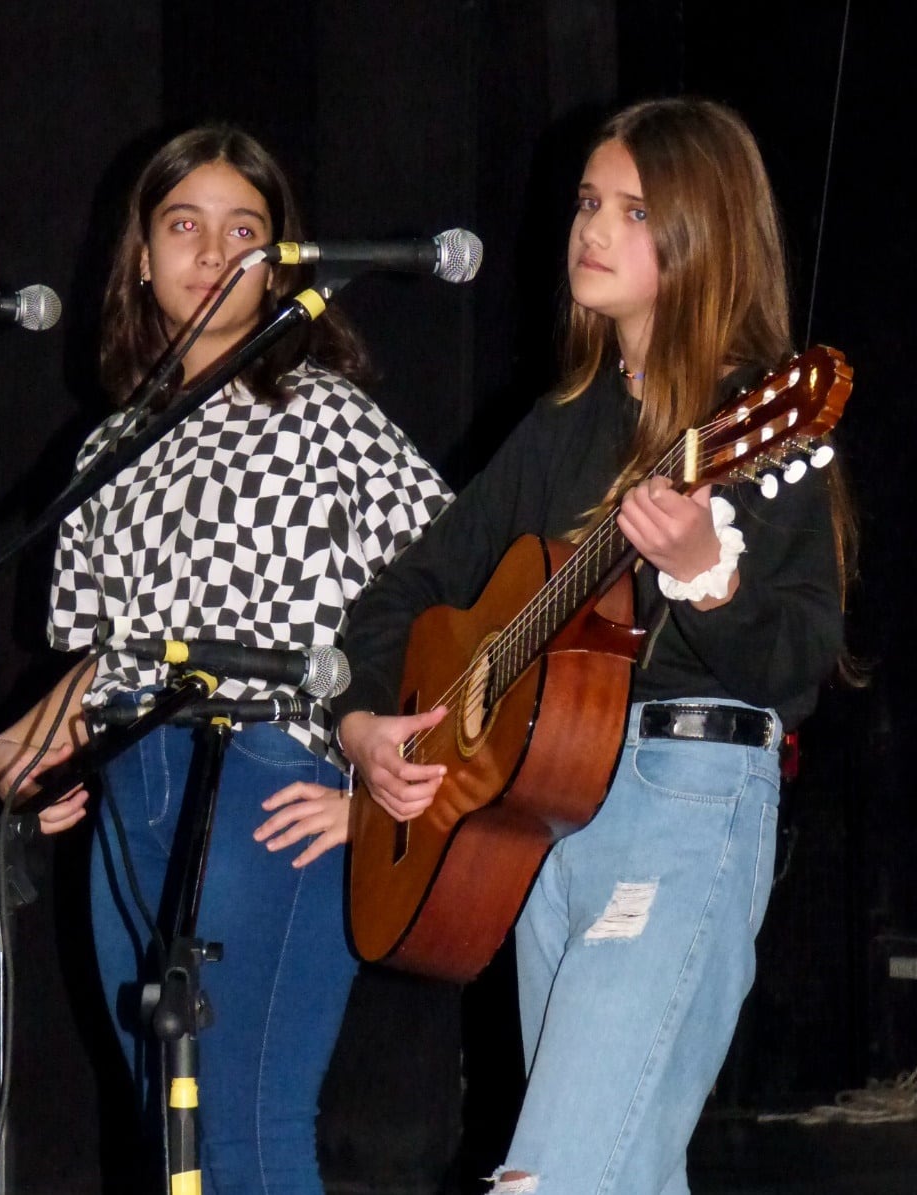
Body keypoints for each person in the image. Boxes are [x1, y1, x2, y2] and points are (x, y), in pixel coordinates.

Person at [334, 97, 854, 1194]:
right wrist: (365, 719)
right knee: (617, 1173)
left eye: (631, 209)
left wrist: (711, 578)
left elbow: (800, 660)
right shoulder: (558, 424)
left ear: (704, 235)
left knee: (556, 1177)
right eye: (586, 203)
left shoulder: (757, 418)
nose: (591, 227)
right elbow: (409, 591)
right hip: (544, 827)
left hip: (683, 796)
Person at [0, 124, 451, 1194]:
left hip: (268, 784)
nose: (212, 252)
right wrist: (28, 736)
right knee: (167, 1133)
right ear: (140, 256)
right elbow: (115, 652)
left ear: (281, 264)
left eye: (246, 231)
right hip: (130, 803)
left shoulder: (329, 420)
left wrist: (388, 800)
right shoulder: (108, 445)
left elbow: (464, 600)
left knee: (244, 1127)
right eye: (185, 226)